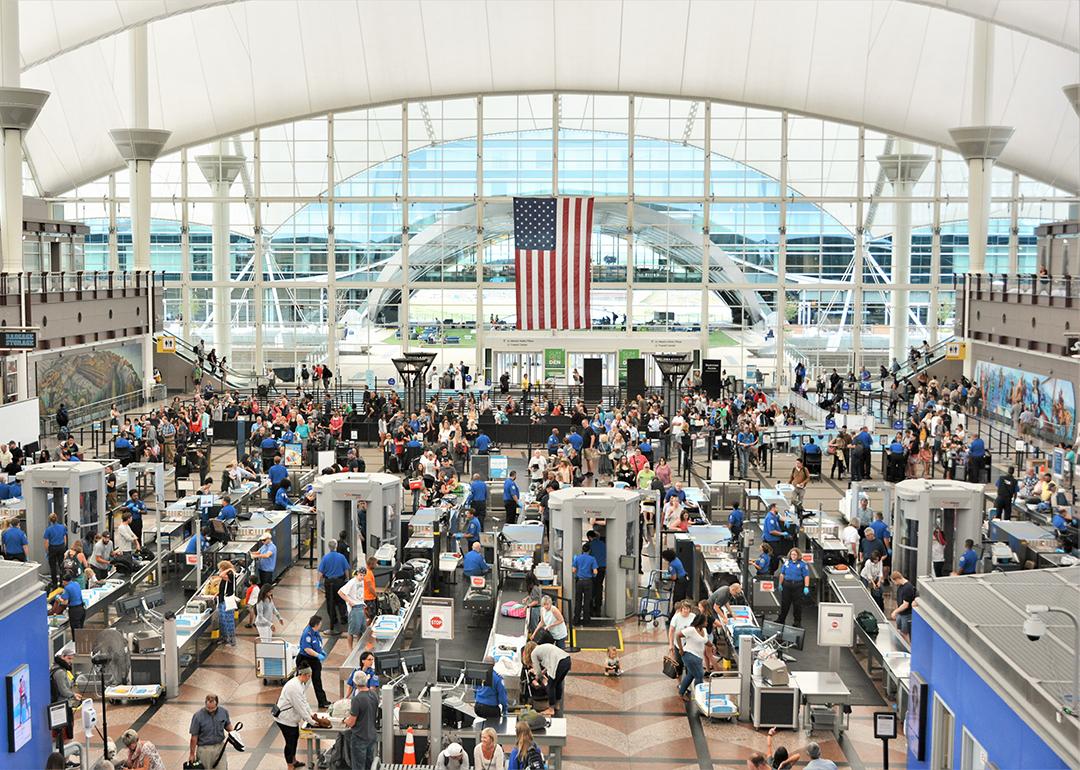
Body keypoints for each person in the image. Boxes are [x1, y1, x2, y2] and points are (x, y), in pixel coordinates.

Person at [274, 666, 320, 770]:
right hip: (284, 719)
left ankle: (294, 761)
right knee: (290, 741)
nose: (309, 678)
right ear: (303, 675)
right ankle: (290, 765)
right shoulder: (294, 687)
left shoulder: (300, 684)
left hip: (291, 718)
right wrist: (311, 722)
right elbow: (300, 708)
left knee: (294, 738)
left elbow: (304, 701)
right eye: (308, 676)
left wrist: (311, 714)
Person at [522, 640, 571, 716]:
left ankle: (551, 709)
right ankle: (557, 705)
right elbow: (548, 665)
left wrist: (539, 678)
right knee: (557, 683)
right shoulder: (543, 647)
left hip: (559, 663)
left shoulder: (534, 653)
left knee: (550, 686)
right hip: (567, 660)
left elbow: (538, 672)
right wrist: (543, 673)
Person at [344, 668, 379, 770]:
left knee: (358, 766)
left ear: (355, 683)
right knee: (369, 764)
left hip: (360, 737)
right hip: (371, 735)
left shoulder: (357, 699)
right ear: (366, 681)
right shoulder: (374, 694)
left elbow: (351, 722)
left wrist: (345, 720)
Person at [189, 694, 233, 770]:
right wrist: (192, 754)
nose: (210, 710)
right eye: (208, 708)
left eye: (213, 708)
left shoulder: (223, 712)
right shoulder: (198, 716)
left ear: (217, 704)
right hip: (205, 750)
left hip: (219, 747)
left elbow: (227, 725)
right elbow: (194, 737)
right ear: (205, 704)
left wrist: (233, 733)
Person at [297, 615, 331, 709]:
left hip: (314, 659)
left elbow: (317, 643)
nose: (321, 625)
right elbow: (307, 648)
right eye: (320, 624)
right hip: (305, 659)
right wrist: (318, 655)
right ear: (316, 624)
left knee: (317, 680)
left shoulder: (315, 632)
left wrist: (321, 651)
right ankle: (298, 700)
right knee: (301, 681)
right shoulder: (307, 634)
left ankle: (322, 701)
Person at [318, 539, 350, 634]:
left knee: (330, 601)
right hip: (339, 581)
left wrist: (319, 583)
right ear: (336, 546)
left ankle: (333, 618)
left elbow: (320, 572)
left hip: (329, 582)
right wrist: (347, 579)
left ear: (329, 547)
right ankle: (343, 618)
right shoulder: (341, 557)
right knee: (341, 600)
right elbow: (346, 569)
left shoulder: (325, 558)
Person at [676, 613, 709, 702]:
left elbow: (705, 641)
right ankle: (700, 698)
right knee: (699, 675)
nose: (707, 622)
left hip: (698, 657)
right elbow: (678, 635)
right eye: (705, 621)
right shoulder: (691, 630)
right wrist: (680, 649)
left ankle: (681, 692)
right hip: (689, 655)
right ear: (701, 622)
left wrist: (712, 646)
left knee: (691, 675)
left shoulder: (704, 630)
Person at [776, 547, 810, 627]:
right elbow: (782, 574)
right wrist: (780, 584)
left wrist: (806, 586)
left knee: (797, 604)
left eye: (795, 554)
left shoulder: (803, 564)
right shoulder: (787, 563)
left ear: (798, 555)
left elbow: (806, 576)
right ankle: (781, 619)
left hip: (797, 586)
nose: (793, 556)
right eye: (792, 554)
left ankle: (797, 622)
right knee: (785, 603)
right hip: (787, 585)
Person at [338, 567, 368, 646]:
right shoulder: (352, 582)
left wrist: (363, 602)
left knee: (361, 630)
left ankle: (358, 647)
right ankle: (350, 649)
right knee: (351, 631)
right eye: (361, 575)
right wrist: (349, 601)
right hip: (354, 608)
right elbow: (340, 592)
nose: (362, 577)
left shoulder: (362, 582)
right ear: (357, 574)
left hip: (361, 606)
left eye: (363, 575)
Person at [572, 542, 598, 625]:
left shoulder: (577, 558)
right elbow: (595, 571)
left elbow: (573, 570)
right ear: (589, 550)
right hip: (588, 581)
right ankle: (586, 620)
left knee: (578, 600)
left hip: (579, 581)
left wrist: (577, 574)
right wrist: (593, 575)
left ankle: (576, 620)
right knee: (587, 601)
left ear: (582, 550)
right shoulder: (592, 559)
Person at [216, 560, 239, 646]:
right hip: (222, 600)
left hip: (227, 601)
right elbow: (222, 587)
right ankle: (225, 638)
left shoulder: (230, 575)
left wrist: (228, 569)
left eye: (220, 568)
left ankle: (232, 640)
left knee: (229, 622)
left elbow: (221, 575)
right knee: (222, 621)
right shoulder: (226, 576)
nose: (219, 570)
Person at [43, 513, 68, 588]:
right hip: (61, 547)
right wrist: (64, 546)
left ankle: (54, 583)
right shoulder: (62, 527)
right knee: (61, 565)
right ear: (57, 519)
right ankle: (62, 582)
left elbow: (46, 542)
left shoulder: (48, 530)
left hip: (53, 548)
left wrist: (47, 551)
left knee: (53, 566)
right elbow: (65, 538)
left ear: (50, 520)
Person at [587, 529, 607, 616]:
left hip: (593, 569)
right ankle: (598, 606)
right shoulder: (603, 544)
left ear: (589, 537)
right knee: (599, 586)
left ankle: (590, 607)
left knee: (592, 587)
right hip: (602, 568)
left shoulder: (589, 545)